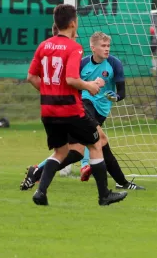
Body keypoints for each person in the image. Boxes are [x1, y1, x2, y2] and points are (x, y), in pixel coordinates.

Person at [26, 4, 127, 206]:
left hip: (48, 110)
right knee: (96, 143)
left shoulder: (44, 45)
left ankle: (40, 191)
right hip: (70, 110)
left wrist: (50, 93)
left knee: (61, 152)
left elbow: (31, 77)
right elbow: (72, 79)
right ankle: (104, 195)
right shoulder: (74, 47)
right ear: (73, 23)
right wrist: (89, 86)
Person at [21, 31, 144, 191]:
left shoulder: (115, 64)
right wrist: (89, 84)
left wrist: (115, 97)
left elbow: (122, 93)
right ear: (93, 47)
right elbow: (71, 83)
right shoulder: (82, 62)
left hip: (101, 111)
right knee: (101, 141)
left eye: (108, 46)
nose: (107, 49)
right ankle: (119, 184)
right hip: (83, 105)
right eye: (103, 46)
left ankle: (37, 172)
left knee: (76, 152)